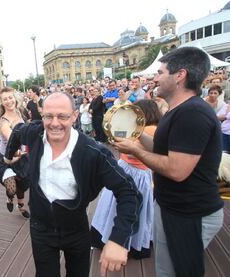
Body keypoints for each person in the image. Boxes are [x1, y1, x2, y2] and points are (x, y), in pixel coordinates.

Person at [3, 92, 142, 277]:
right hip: (40, 228)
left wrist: (118, 239)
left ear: (75, 116)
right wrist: (8, 155)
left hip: (76, 230)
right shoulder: (36, 134)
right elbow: (18, 131)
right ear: (42, 115)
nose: (54, 123)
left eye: (62, 116)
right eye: (48, 116)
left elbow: (128, 191)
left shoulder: (94, 152)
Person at [114, 47, 224, 277]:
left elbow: (176, 170)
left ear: (180, 75)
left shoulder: (193, 113)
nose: (155, 78)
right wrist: (137, 135)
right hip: (175, 209)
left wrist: (135, 149)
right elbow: (165, 152)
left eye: (161, 72)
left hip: (190, 214)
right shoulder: (180, 110)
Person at [91, 99, 162, 260]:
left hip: (136, 172)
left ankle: (120, 241)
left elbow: (134, 150)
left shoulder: (150, 129)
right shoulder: (145, 128)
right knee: (118, 206)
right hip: (127, 168)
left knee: (125, 208)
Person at [0, 87, 30, 218]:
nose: (8, 101)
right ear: (1, 102)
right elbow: (13, 141)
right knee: (12, 188)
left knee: (22, 186)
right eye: (5, 99)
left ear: (15, 98)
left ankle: (21, 207)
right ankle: (9, 198)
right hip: (7, 158)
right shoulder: (3, 122)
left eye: (10, 97)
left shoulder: (20, 113)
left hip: (21, 157)